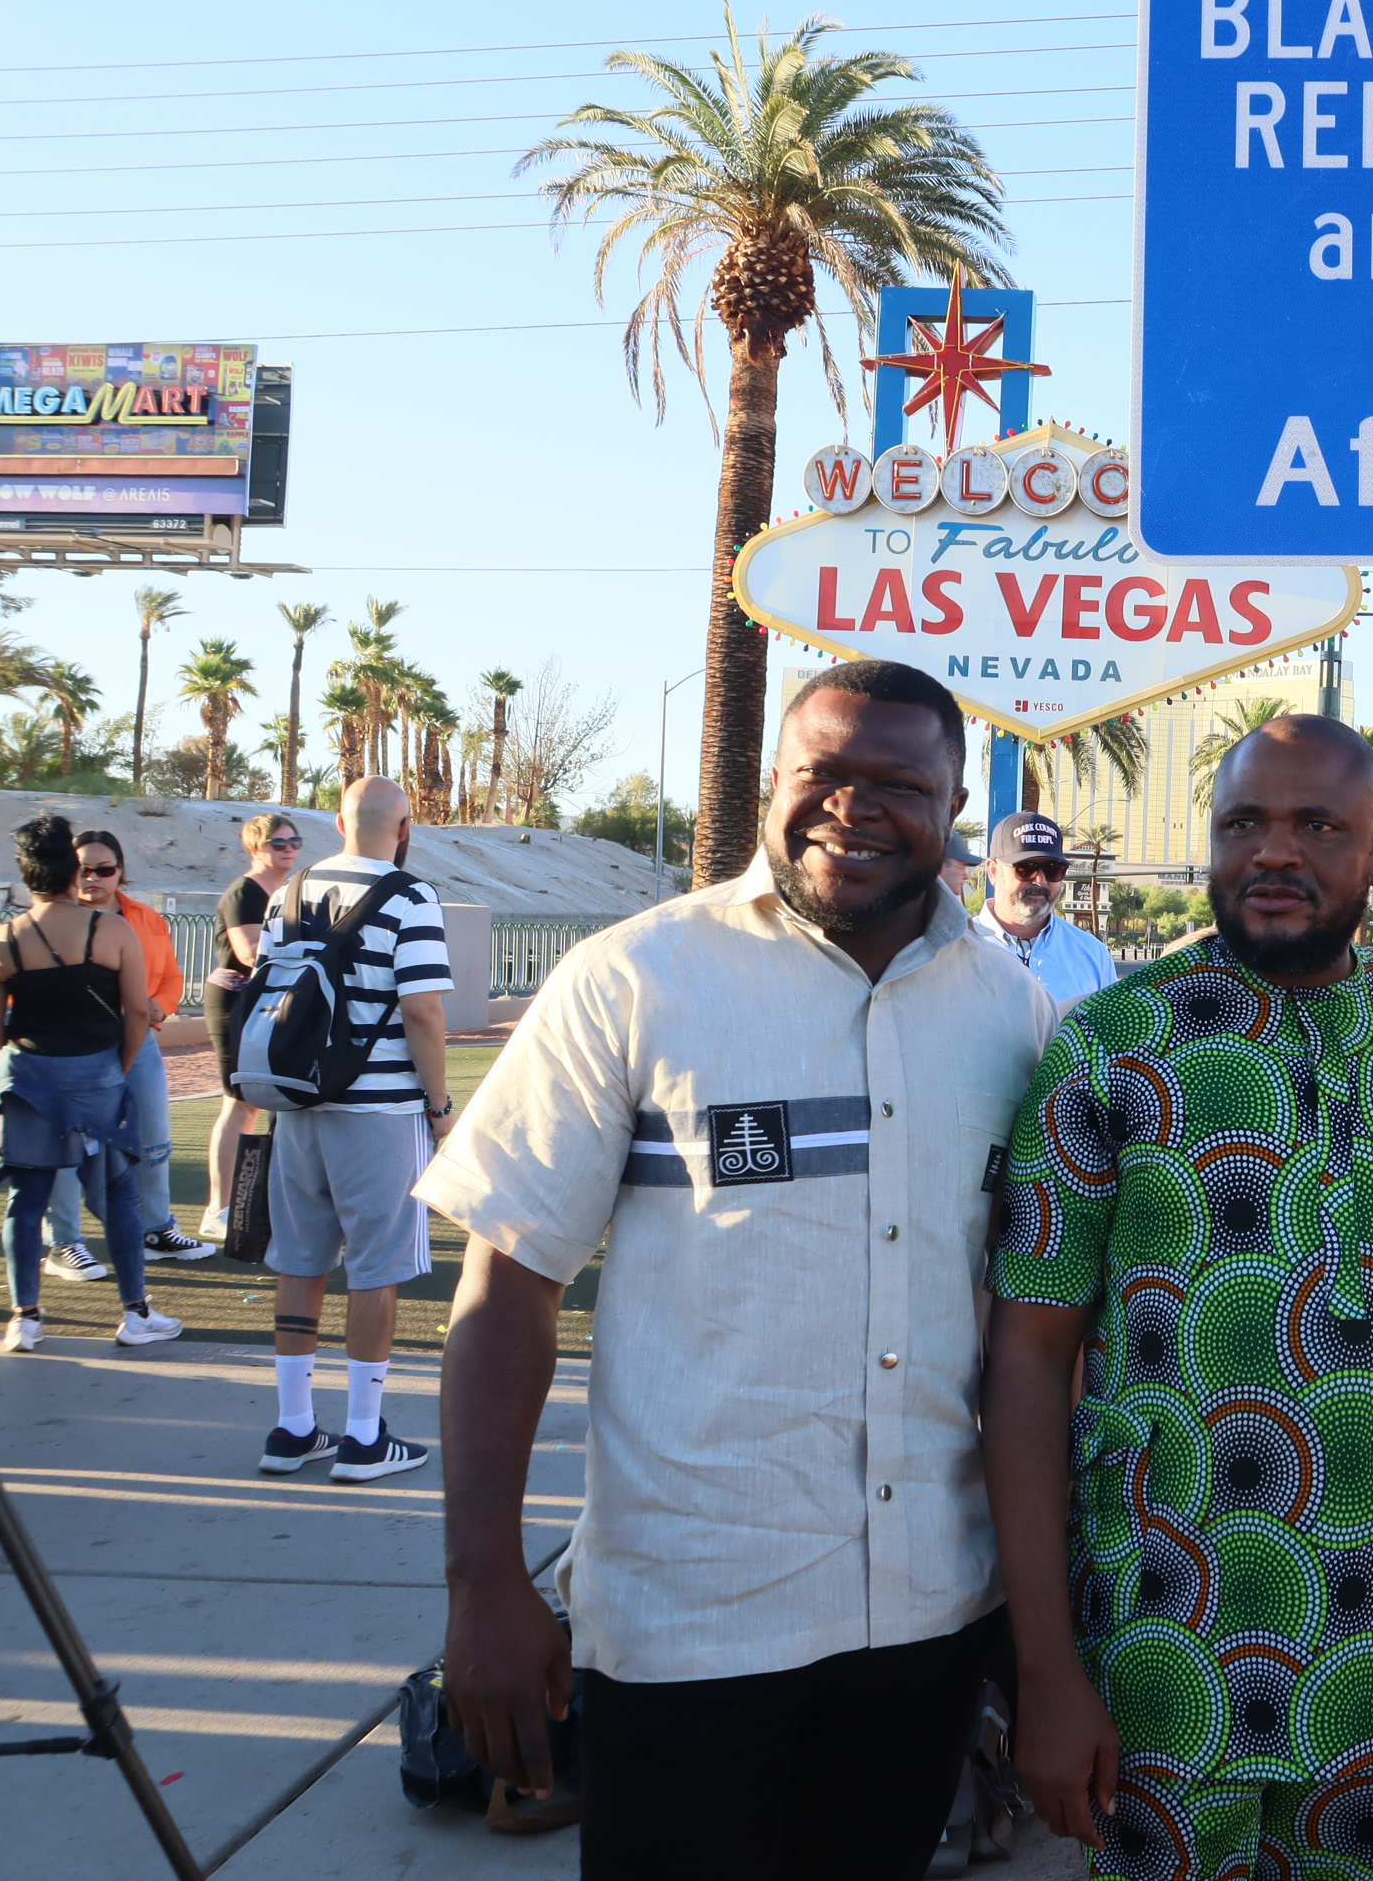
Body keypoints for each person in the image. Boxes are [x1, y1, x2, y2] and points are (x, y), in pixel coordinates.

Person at [428, 661, 1056, 1877]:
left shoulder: (1009, 1014)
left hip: (928, 1619)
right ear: (776, 775)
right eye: (823, 770)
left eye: (897, 783)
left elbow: (1023, 1328)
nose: (852, 807)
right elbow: (506, 1292)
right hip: (692, 1620)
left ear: (954, 800)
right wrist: (484, 1578)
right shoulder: (632, 979)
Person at [983, 711, 1373, 1881]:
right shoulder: (1112, 1048)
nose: (1275, 851)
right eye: (1244, 823)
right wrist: (1045, 1667)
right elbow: (1023, 1359)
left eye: (1320, 824)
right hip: (1167, 1646)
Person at [257, 778, 453, 1483]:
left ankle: (292, 1427)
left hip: (297, 1103)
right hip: (380, 1109)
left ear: (339, 820)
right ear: (405, 824)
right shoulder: (410, 896)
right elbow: (423, 1012)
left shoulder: (290, 890)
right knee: (377, 1268)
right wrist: (440, 1106)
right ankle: (366, 1437)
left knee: (300, 1259)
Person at [0, 815, 180, 1352]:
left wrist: (30, 1064)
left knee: (27, 1198)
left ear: (26, 874)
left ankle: (26, 1318)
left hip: (29, 1078)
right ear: (71, 870)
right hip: (98, 1074)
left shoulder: (0, 941)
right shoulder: (110, 930)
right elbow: (138, 1011)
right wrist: (120, 1063)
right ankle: (135, 1314)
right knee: (119, 1194)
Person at [58, 829, 207, 1270]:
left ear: (120, 873)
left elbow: (173, 978)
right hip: (74, 1049)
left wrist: (155, 1009)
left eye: (104, 869)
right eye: (83, 869)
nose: (93, 878)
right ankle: (64, 1241)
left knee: (154, 1140)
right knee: (67, 1144)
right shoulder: (53, 922)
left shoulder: (145, 919)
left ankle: (155, 1229)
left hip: (139, 1040)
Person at [199, 811, 305, 1240]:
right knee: (240, 1104)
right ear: (255, 848)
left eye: (295, 842)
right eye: (279, 843)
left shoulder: (290, 889)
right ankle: (218, 1208)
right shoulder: (244, 892)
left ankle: (261, 1203)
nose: (289, 850)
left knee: (268, 1101)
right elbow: (247, 951)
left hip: (272, 1002)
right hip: (236, 1002)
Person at [974, 811, 1118, 1009]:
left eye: (1053, 869)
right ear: (993, 871)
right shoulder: (953, 950)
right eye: (1025, 867)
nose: (1040, 880)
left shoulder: (1092, 953)